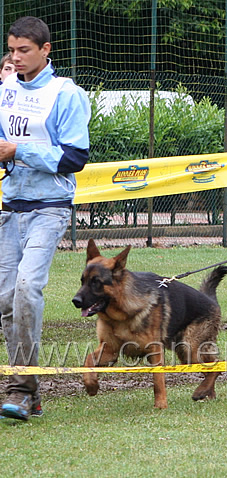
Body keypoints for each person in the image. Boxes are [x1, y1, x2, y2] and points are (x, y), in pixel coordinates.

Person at [0, 16, 91, 420]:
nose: (16, 58)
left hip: (50, 208)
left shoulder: (66, 94)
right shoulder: (5, 89)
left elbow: (75, 157)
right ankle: (29, 393)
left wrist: (17, 151)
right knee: (4, 300)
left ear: (45, 50)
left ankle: (19, 388)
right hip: (10, 207)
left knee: (26, 288)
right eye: (12, 49)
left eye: (24, 50)